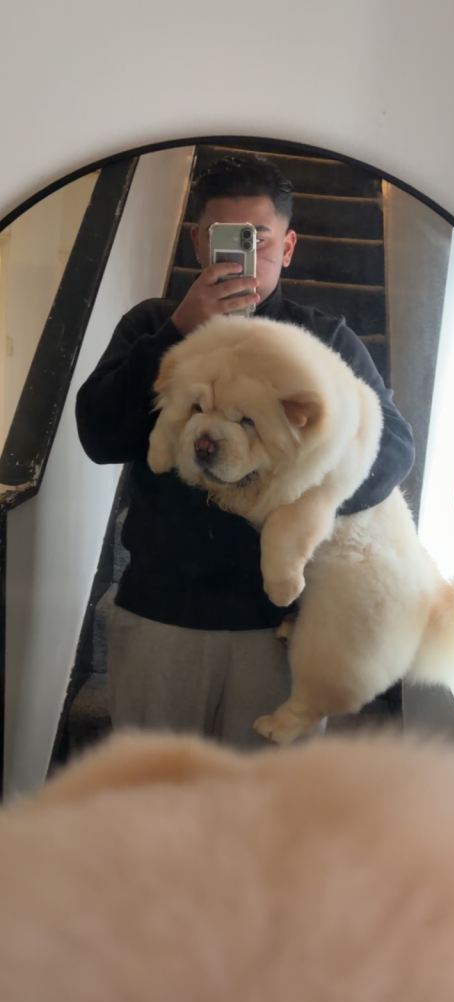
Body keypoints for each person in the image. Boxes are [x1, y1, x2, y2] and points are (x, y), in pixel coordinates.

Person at [76, 154, 415, 747]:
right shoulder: (155, 323)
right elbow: (99, 435)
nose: (243, 257)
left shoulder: (324, 341)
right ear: (198, 243)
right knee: (157, 789)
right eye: (225, 238)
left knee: (269, 797)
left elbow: (393, 452)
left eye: (259, 240)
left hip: (277, 621)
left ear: (288, 247)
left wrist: (286, 496)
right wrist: (178, 332)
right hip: (161, 611)